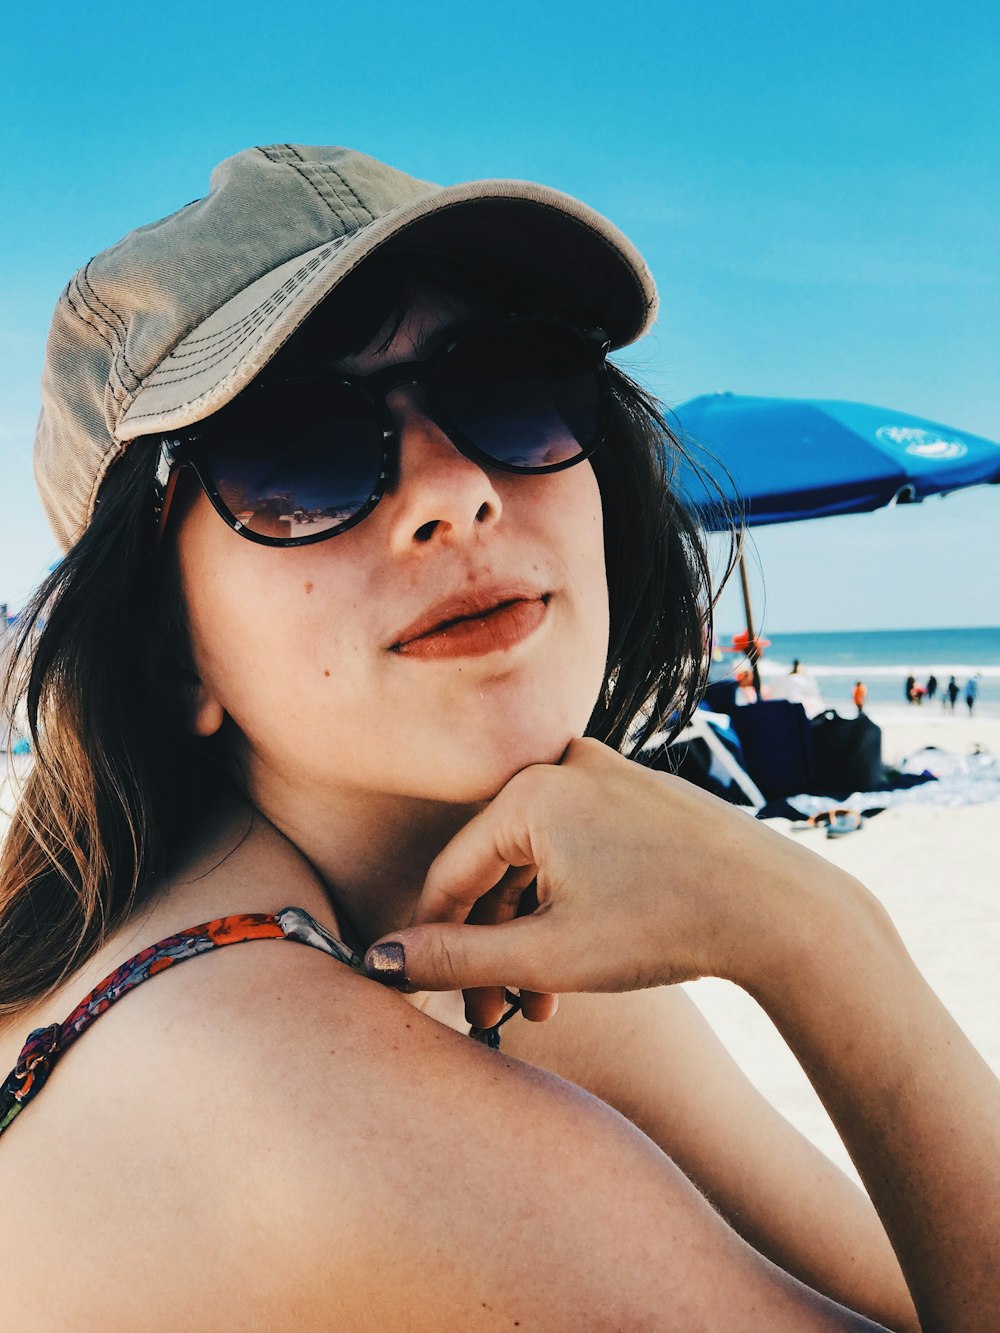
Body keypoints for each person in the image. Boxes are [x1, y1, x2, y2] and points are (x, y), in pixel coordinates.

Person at [1, 143, 997, 1331]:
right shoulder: (309, 1113)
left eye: (512, 385)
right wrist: (824, 938)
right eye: (298, 452)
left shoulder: (450, 933)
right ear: (172, 652)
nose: (456, 489)